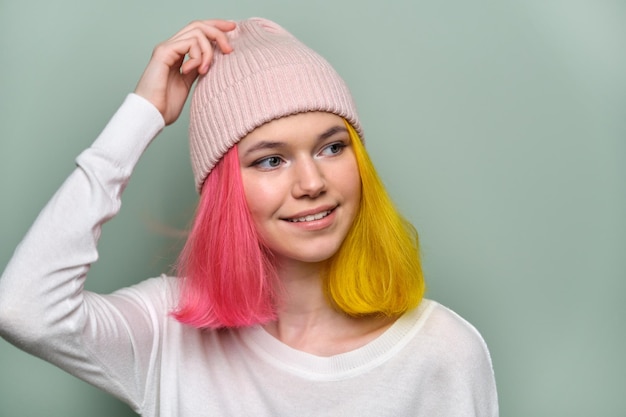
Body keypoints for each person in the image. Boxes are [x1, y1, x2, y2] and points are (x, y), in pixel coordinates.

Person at [0, 18, 498, 416]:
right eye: (270, 160)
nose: (311, 183)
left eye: (331, 147)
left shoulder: (442, 352)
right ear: (225, 193)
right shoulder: (167, 334)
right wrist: (143, 113)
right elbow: (23, 309)